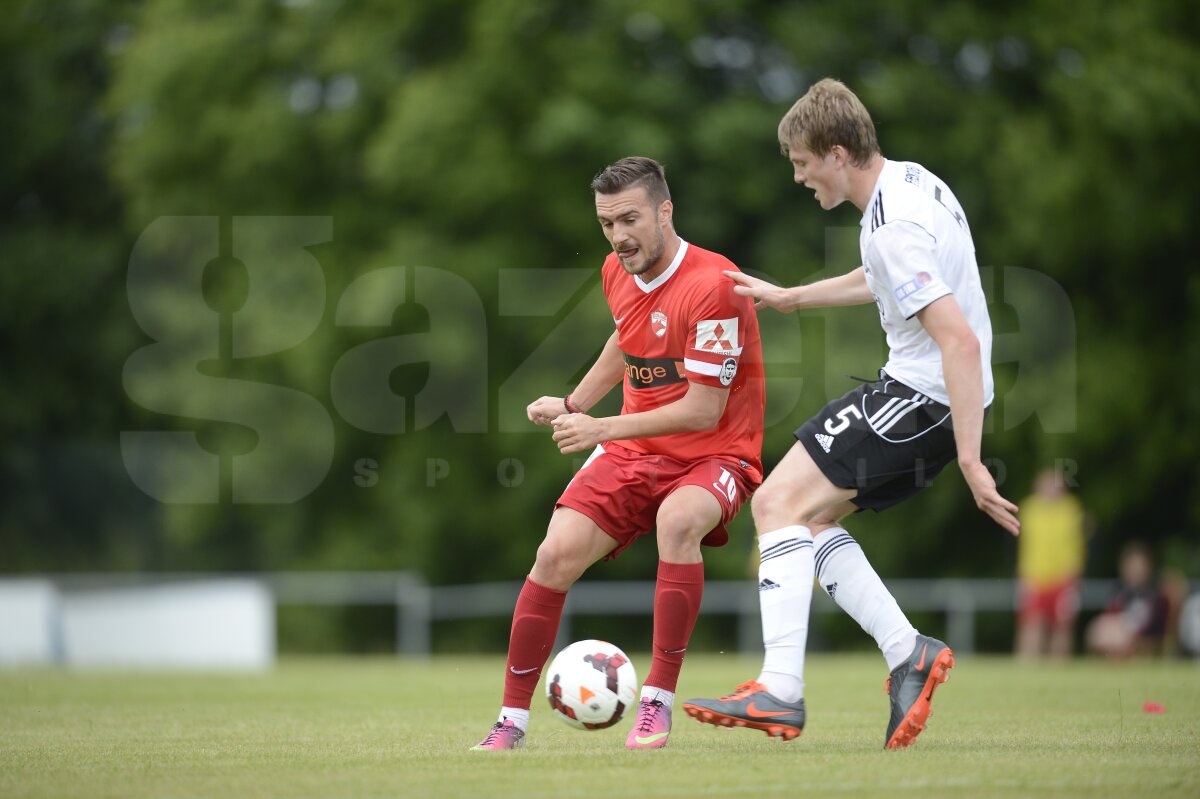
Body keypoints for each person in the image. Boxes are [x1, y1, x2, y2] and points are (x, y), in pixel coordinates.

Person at [682, 78, 1019, 750]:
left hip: (924, 397)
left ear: (837, 153)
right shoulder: (908, 183)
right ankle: (908, 652)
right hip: (926, 393)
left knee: (774, 503)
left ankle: (781, 687)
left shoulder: (891, 225)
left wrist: (972, 461)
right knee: (806, 520)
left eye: (804, 163)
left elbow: (960, 339)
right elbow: (881, 275)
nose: (800, 177)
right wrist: (793, 298)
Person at [472, 156, 765, 751]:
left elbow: (704, 411)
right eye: (607, 224)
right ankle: (511, 724)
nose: (618, 236)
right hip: (633, 448)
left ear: (665, 210)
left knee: (677, 520)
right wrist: (575, 403)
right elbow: (627, 339)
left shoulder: (716, 287)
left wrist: (602, 428)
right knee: (553, 556)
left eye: (629, 219)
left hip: (717, 454)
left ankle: (656, 703)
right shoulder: (616, 270)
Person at [1015, 468, 1089, 659]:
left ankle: (1059, 668)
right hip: (1035, 577)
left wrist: (1075, 578)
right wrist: (1024, 578)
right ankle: (1027, 666)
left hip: (1064, 578)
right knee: (1032, 624)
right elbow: (1024, 547)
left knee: (1063, 626)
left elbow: (1078, 548)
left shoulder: (1071, 509)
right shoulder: (1029, 510)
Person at [1085, 540, 1171, 657]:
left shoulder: (1155, 594)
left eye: (1138, 567)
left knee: (1112, 633)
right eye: (1131, 567)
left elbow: (1155, 624)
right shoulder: (1121, 593)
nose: (1134, 571)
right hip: (1120, 633)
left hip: (1139, 637)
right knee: (1100, 627)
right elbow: (1111, 614)